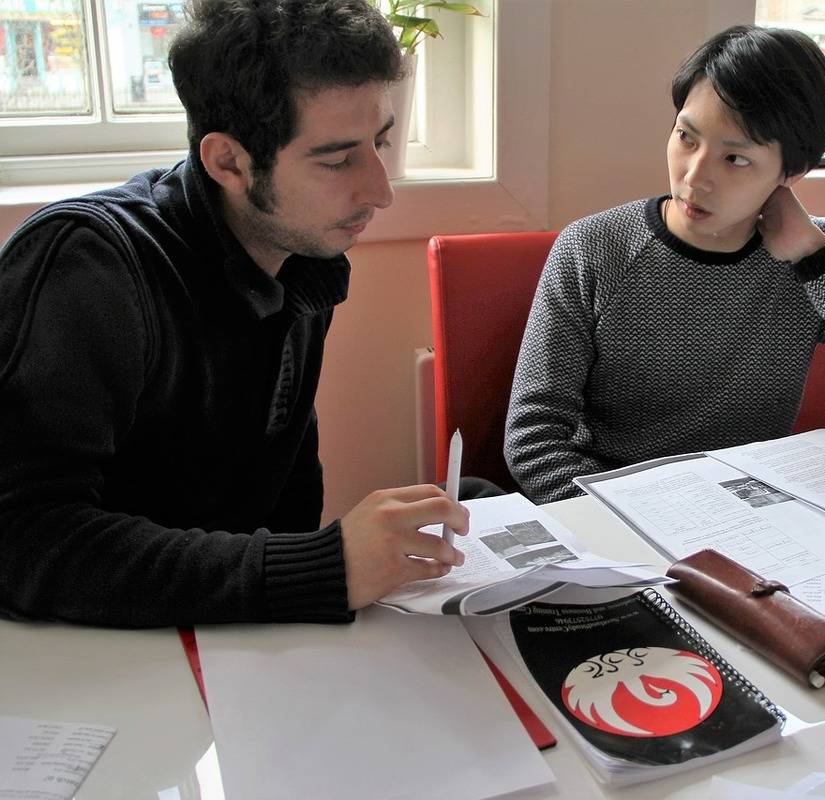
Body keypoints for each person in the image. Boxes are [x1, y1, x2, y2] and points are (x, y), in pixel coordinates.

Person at [0, 0, 494, 627]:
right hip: (88, 661)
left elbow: (282, 500)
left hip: (226, 645)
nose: (381, 190)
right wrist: (321, 567)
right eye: (337, 160)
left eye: (383, 141)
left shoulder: (299, 255)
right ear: (228, 162)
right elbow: (22, 539)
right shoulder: (89, 265)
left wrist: (330, 569)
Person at [505, 24, 825, 505]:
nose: (695, 177)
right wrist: (625, 524)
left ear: (790, 173)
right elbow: (534, 436)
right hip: (621, 516)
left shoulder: (818, 262)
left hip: (758, 516)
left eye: (735, 159)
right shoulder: (594, 249)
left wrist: (816, 257)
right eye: (686, 137)